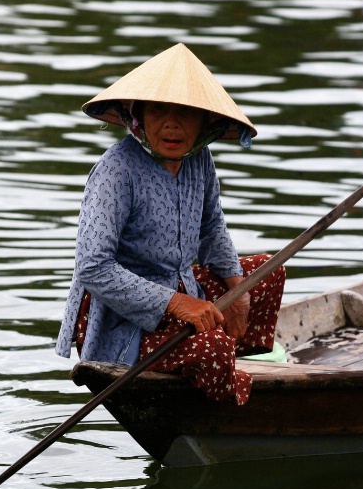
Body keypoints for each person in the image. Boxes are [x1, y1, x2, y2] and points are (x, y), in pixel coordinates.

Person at [56, 43, 285, 404]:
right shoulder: (117, 169)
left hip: (185, 293)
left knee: (267, 273)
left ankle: (219, 358)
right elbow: (93, 268)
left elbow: (212, 228)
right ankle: (216, 368)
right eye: (160, 110)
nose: (172, 124)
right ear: (138, 115)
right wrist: (177, 303)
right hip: (127, 323)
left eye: (185, 113)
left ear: (204, 123)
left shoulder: (199, 160)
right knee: (212, 350)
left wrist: (237, 292)